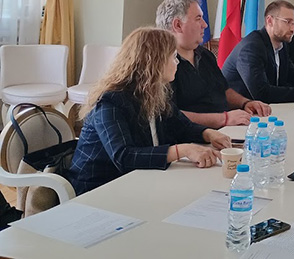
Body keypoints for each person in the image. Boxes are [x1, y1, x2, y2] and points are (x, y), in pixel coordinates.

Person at [68, 27, 230, 196]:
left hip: (136, 182)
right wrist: (182, 150)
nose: (177, 62)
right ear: (155, 62)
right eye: (173, 57)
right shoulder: (111, 101)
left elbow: (182, 127)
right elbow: (124, 156)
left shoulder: (155, 93)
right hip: (97, 189)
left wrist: (208, 133)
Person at [156, 0, 271, 129]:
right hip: (195, 136)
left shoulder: (205, 55)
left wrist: (245, 103)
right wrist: (224, 119)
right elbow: (171, 116)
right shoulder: (162, 65)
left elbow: (223, 90)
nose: (205, 25)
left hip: (226, 128)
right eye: (198, 19)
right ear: (178, 25)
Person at [223, 0, 294, 103]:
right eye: (288, 22)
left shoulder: (281, 45)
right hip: (237, 110)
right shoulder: (251, 47)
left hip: (262, 108)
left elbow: (293, 76)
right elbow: (262, 93)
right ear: (270, 21)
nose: (293, 29)